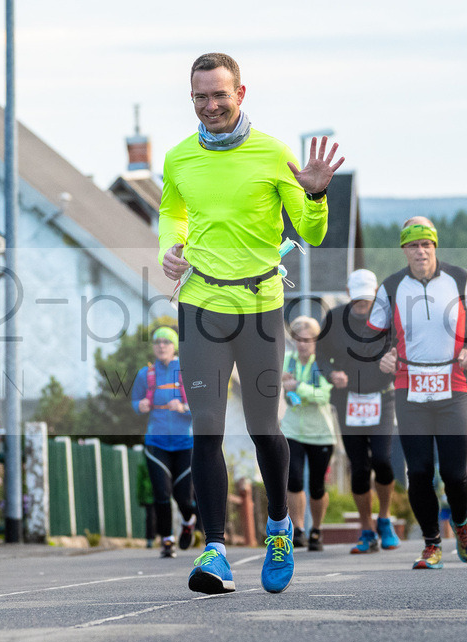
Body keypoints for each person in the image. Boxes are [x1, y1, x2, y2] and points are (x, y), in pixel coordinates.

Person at [159, 53, 344, 594]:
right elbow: (173, 211)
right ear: (191, 99)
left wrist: (314, 193)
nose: (210, 106)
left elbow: (309, 232)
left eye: (219, 95)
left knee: (265, 427)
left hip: (259, 305)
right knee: (207, 425)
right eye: (200, 97)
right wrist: (171, 248)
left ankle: (280, 527)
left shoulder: (273, 153)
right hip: (199, 303)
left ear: (241, 93)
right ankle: (214, 551)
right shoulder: (178, 158)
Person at [373, 217, 467, 569]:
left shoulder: (458, 278)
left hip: (452, 386)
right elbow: (371, 331)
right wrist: (385, 354)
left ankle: (461, 523)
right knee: (420, 472)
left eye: (426, 244)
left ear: (435, 247)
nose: (420, 251)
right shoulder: (392, 286)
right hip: (409, 388)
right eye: (413, 245)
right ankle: (431, 544)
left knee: (455, 475)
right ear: (404, 250)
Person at [319, 269, 399, 554]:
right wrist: (331, 374)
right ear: (348, 292)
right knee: (359, 466)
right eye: (358, 297)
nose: (363, 303)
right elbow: (320, 356)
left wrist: (394, 359)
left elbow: (401, 348)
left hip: (382, 396)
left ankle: (385, 519)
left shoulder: (388, 317)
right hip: (347, 399)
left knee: (382, 459)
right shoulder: (334, 318)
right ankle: (367, 529)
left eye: (368, 296)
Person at [130, 326, 197, 559]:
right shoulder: (145, 374)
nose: (161, 346)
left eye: (166, 342)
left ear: (174, 346)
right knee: (161, 493)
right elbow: (135, 401)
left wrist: (184, 407)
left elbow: (201, 407)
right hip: (156, 442)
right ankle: (167, 540)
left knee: (184, 499)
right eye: (157, 342)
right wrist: (139, 406)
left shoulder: (187, 372)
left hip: (185, 444)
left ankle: (188, 521)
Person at [280, 316, 335, 552]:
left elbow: (325, 395)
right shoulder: (287, 361)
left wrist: (298, 388)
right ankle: (299, 529)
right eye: (299, 340)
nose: (303, 344)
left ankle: (317, 530)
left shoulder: (322, 362)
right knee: (293, 481)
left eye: (308, 340)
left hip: (321, 433)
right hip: (292, 430)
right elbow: (276, 383)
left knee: (317, 486)